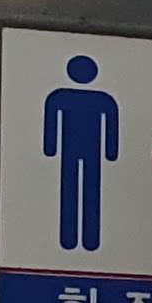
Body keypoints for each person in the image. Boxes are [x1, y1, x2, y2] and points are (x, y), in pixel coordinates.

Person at [42, 55, 118, 250]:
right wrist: (111, 152)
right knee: (89, 189)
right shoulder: (103, 99)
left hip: (71, 149)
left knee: (71, 188)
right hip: (91, 149)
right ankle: (88, 239)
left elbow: (51, 123)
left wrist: (50, 148)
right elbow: (112, 127)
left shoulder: (60, 96)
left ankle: (71, 238)